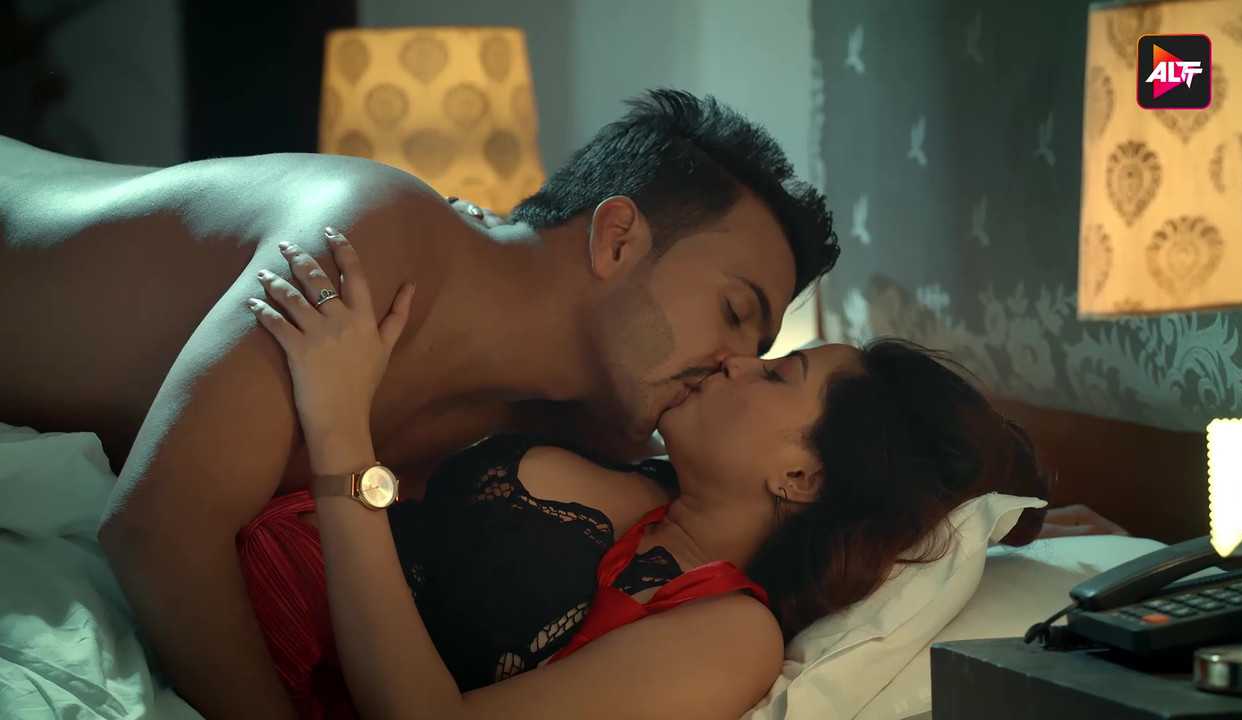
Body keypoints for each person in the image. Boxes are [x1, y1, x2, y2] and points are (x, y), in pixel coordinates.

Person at [0, 90, 839, 720]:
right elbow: (156, 529)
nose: (735, 365)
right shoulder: (372, 242)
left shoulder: (558, 427)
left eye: (764, 355)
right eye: (736, 312)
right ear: (616, 238)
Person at [234, 235, 1051, 720]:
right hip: (235, 550)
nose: (737, 362)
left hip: (245, 649)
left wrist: (339, 431)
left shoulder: (731, 636)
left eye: (777, 373)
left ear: (802, 475)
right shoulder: (640, 470)